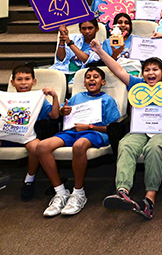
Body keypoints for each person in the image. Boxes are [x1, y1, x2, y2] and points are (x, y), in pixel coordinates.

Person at [92, 43, 162, 220]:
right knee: (125, 144)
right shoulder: (137, 86)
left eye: (155, 69)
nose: (151, 73)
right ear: (142, 73)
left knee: (153, 149)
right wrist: (100, 51)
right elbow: (117, 69)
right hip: (140, 130)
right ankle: (122, 191)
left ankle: (149, 200)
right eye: (147, 70)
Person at [37, 67, 120, 217]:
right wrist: (64, 111)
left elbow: (114, 128)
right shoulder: (76, 97)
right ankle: (61, 192)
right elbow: (60, 112)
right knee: (42, 146)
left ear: (103, 82)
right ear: (84, 82)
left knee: (79, 145)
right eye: (88, 77)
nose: (91, 79)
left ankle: (78, 193)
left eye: (95, 77)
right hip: (71, 132)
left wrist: (89, 126)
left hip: (94, 133)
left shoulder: (108, 100)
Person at [2, 66, 59, 201]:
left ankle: (29, 179)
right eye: (19, 79)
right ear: (12, 82)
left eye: (27, 79)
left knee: (36, 148)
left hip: (26, 135)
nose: (23, 82)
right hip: (6, 133)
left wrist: (55, 96)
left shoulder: (38, 98)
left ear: (34, 81)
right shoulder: (4, 98)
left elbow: (55, 115)